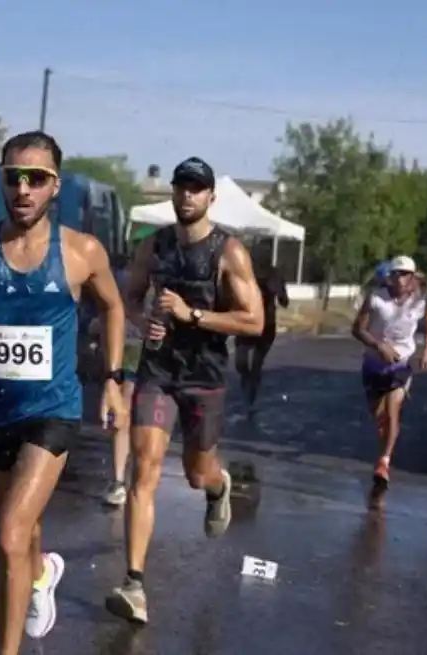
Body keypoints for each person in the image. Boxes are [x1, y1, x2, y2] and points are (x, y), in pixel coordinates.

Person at [0, 131, 126, 654]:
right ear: (2, 180)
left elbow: (113, 306)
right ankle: (41, 574)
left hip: (51, 411)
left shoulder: (81, 251)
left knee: (10, 535)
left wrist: (113, 380)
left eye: (37, 178)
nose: (24, 189)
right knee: (22, 532)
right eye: (14, 177)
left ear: (55, 186)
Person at [106, 156, 265, 625]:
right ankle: (134, 583)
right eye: (181, 187)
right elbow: (128, 299)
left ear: (210, 197)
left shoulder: (228, 252)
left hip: (204, 377)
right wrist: (145, 322)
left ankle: (218, 486)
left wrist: (191, 315)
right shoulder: (152, 247)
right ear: (172, 193)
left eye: (196, 188)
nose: (187, 195)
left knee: (197, 474)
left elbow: (254, 321)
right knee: (144, 470)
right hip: (158, 372)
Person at [351, 256, 427, 508]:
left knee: (392, 413)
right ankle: (383, 454)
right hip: (373, 365)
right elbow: (357, 329)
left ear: (412, 277)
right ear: (389, 276)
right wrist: (378, 346)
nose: (399, 278)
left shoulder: (420, 302)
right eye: (396, 273)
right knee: (380, 419)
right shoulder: (376, 298)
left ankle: (384, 461)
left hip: (400, 367)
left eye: (404, 274)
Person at [95, 264, 143, 507]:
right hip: (126, 350)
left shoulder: (160, 276)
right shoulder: (119, 276)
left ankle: (126, 478)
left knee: (134, 415)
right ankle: (119, 479)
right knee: (123, 410)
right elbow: (107, 311)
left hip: (148, 351)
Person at [235, 239, 288, 408]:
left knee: (257, 363)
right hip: (246, 321)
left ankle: (250, 398)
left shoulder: (275, 275)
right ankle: (246, 379)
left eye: (263, 255)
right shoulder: (245, 272)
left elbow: (284, 301)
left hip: (267, 324)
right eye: (257, 254)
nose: (259, 258)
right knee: (240, 362)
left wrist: (278, 291)